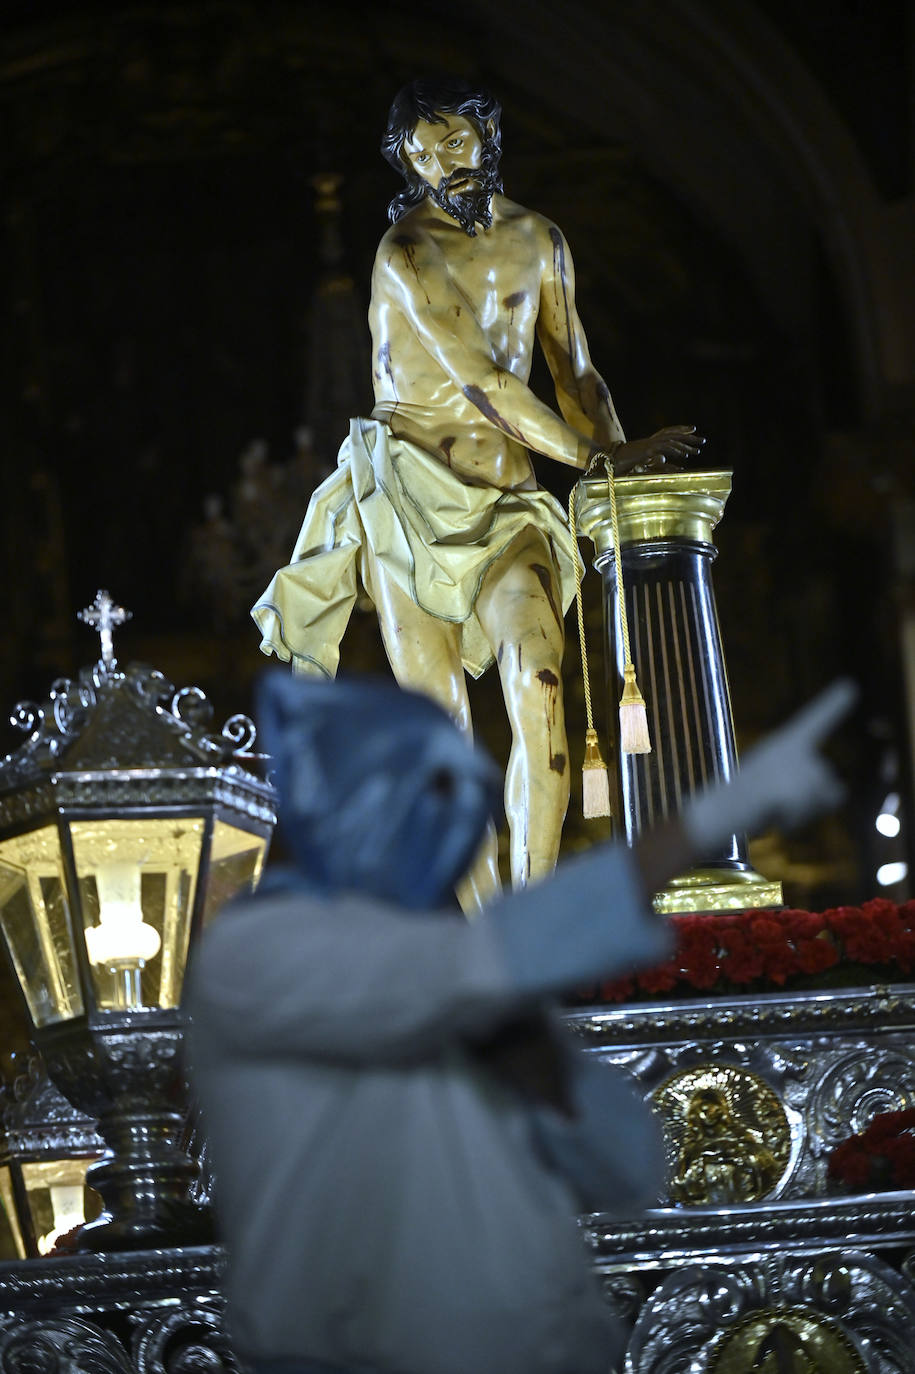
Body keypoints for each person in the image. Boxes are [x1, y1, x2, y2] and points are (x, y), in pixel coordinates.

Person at [185, 672, 855, 1374]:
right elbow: (470, 964)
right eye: (432, 794)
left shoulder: (465, 968)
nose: (461, 825)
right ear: (357, 798)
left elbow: (625, 1171)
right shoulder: (259, 951)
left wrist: (541, 1070)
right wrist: (708, 820)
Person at [252, 78, 705, 911]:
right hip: (410, 505)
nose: (438, 163)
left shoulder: (542, 240)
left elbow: (573, 371)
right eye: (419, 152)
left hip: (506, 502)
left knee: (540, 684)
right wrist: (593, 460)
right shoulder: (406, 251)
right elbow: (483, 382)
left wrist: (616, 464)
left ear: (487, 139)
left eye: (452, 142)